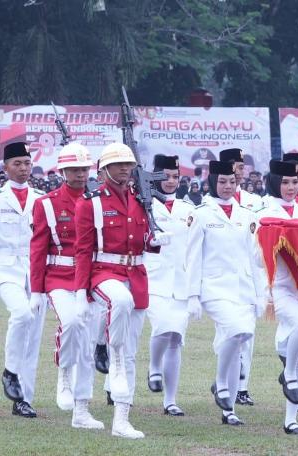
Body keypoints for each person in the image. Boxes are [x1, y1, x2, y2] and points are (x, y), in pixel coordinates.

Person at [73, 142, 170, 439]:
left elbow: (142, 241)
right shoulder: (91, 202)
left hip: (136, 275)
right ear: (104, 170)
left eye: (128, 164)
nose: (125, 169)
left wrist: (157, 241)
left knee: (129, 352)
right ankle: (80, 407)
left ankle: (121, 419)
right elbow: (82, 249)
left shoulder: (141, 198)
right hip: (104, 273)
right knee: (93, 341)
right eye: (118, 165)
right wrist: (79, 289)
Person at [29, 142, 104, 430]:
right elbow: (37, 249)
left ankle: (82, 396)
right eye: (74, 170)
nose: (80, 175)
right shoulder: (46, 204)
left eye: (84, 169)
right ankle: (63, 375)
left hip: (92, 274)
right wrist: (36, 290)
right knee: (71, 322)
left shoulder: (98, 199)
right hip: (59, 275)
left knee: (88, 334)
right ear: (62, 171)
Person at [185, 160, 265, 427]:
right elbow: (193, 257)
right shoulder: (202, 214)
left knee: (241, 337)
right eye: (222, 182)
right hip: (214, 287)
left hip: (243, 288)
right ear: (213, 183)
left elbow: (255, 259)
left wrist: (260, 294)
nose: (228, 186)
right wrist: (192, 295)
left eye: (232, 181)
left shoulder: (247, 214)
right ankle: (221, 383)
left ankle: (228, 408)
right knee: (235, 331)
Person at [0, 142, 45, 418]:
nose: (23, 168)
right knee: (21, 315)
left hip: (35, 271)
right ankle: (10, 371)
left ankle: (23, 399)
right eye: (17, 163)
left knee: (33, 337)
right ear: (5, 168)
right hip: (5, 270)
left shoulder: (41, 198)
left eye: (27, 163)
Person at [255, 159, 298, 434]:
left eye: (294, 181)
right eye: (285, 182)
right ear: (273, 183)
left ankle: (291, 419)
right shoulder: (262, 213)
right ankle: (288, 372)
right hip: (277, 287)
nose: (291, 187)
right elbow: (256, 258)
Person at [144, 154, 196, 417]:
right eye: (165, 176)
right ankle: (153, 366)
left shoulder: (188, 209)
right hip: (154, 278)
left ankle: (170, 399)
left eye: (175, 177)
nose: (170, 181)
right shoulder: (145, 205)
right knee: (164, 325)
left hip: (181, 282)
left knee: (176, 338)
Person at [218, 147, 261, 406]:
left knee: (248, 332)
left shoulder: (254, 201)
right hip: (221, 274)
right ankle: (224, 379)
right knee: (226, 333)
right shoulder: (213, 200)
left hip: (246, 273)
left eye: (242, 166)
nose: (240, 170)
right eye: (235, 166)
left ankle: (242, 386)